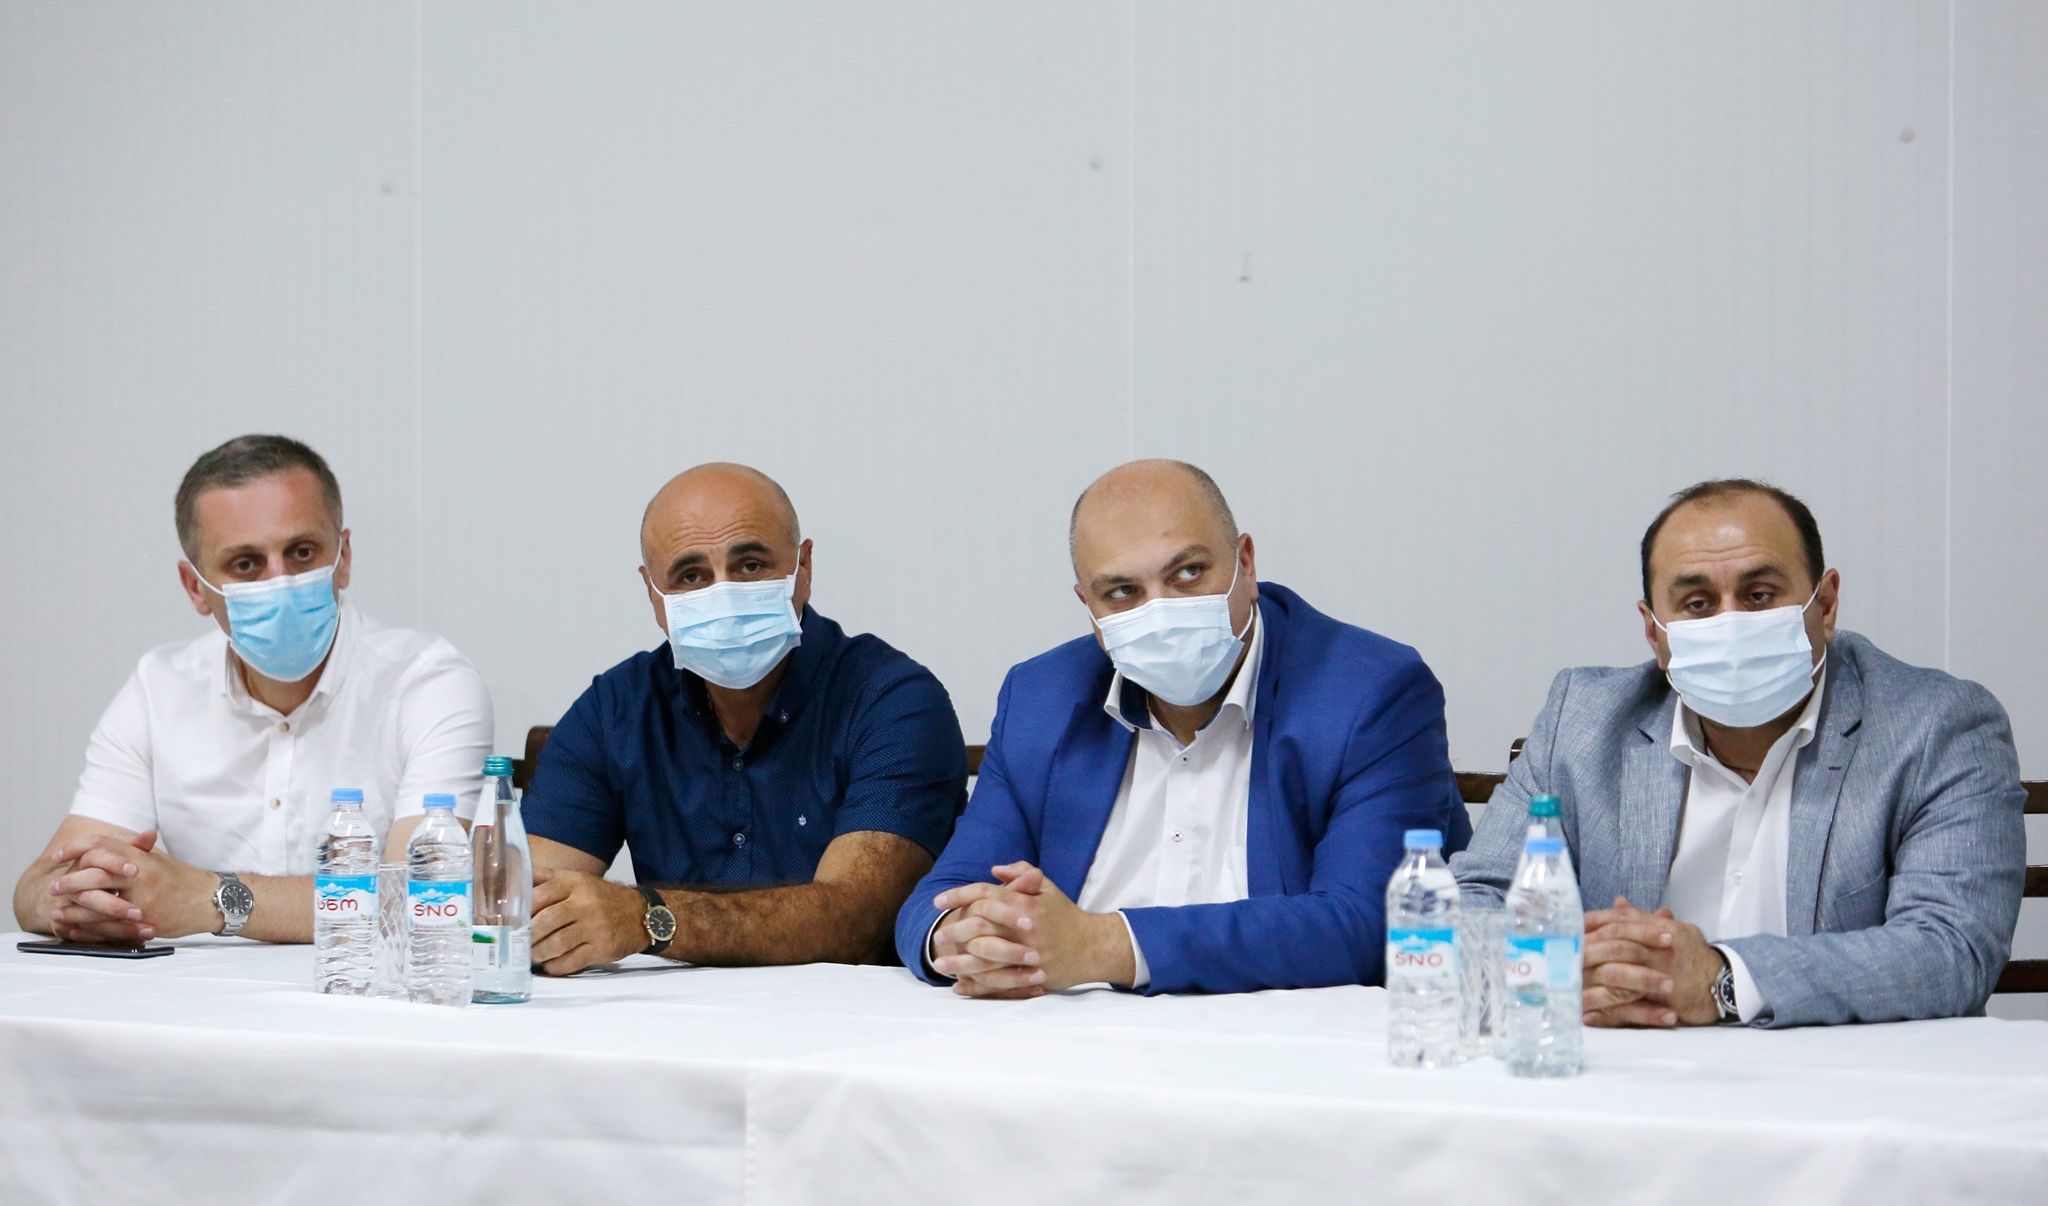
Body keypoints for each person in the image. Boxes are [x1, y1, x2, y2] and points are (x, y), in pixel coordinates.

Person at [1451, 478, 2026, 1028]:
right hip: (1629, 1066)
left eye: (1759, 596)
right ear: (1654, 634)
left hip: (1845, 1074)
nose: (1730, 623)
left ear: (1825, 605)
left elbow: (1952, 949)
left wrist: (1721, 981)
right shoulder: (1583, 719)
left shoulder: (1936, 726)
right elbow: (1476, 902)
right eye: (1698, 603)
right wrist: (1567, 969)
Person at [895, 459, 1470, 998]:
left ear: (1246, 564)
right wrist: (962, 938)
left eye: (1188, 573)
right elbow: (940, 897)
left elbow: (1369, 923)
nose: (1161, 610)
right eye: (1122, 592)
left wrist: (1102, 946)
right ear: (1088, 606)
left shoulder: (1369, 691)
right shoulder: (1041, 698)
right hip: (1070, 1044)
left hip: (1284, 1046)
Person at [12, 435, 493, 944]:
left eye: (302, 553)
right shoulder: (159, 687)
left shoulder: (429, 683)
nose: (280, 580)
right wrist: (77, 901)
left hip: (359, 986)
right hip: (191, 991)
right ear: (196, 587)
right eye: (246, 564)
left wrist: (212, 898)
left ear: (343, 557)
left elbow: (424, 897)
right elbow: (35, 891)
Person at [521, 463, 968, 975]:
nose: (724, 596)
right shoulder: (616, 710)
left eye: (751, 566)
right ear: (652, 592)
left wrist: (648, 919)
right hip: (669, 1015)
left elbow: (858, 922)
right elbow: (522, 900)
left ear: (803, 567)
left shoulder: (892, 699)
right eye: (691, 576)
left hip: (851, 1014)